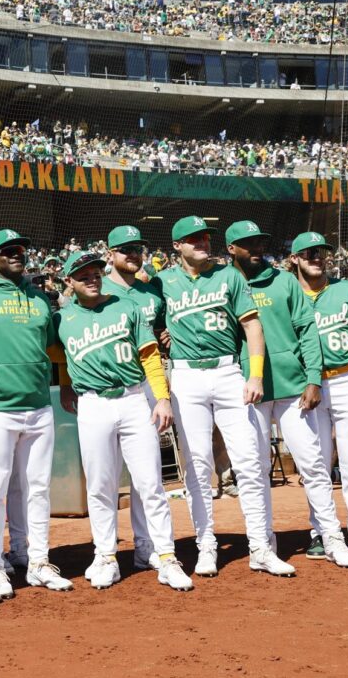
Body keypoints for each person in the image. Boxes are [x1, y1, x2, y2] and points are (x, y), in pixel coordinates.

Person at [153, 215, 294, 579]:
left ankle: (261, 547)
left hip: (230, 372)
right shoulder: (162, 282)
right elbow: (140, 317)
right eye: (193, 239)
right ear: (177, 246)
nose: (202, 242)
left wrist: (256, 374)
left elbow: (252, 325)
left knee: (250, 462)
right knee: (198, 465)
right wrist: (160, 332)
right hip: (185, 376)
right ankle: (206, 545)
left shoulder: (229, 275)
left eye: (205, 237)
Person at [56, 251, 193, 592]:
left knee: (150, 484)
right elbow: (57, 355)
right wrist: (64, 386)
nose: (92, 278)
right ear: (69, 282)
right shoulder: (61, 319)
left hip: (133, 399)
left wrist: (160, 397)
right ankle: (105, 556)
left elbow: (149, 355)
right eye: (82, 274)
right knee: (100, 486)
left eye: (95, 272)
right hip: (92, 404)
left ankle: (165, 555)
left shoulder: (126, 306)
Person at [226, 221, 348, 569]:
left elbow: (306, 329)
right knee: (253, 471)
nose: (256, 248)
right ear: (231, 249)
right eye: (248, 243)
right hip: (247, 390)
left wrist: (313, 378)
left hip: (291, 389)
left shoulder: (284, 281)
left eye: (260, 242)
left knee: (314, 464)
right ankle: (262, 545)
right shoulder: (224, 283)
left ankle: (331, 537)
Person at [0, 229, 71, 594]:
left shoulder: (41, 299)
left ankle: (37, 560)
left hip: (39, 405)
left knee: (38, 489)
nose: (17, 255)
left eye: (22, 250)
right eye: (8, 251)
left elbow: (55, 349)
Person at [290, 232, 348, 562]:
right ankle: (320, 531)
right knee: (314, 464)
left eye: (322, 252)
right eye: (309, 253)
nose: (317, 258)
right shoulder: (288, 295)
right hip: (307, 385)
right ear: (295, 259)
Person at [101, 225, 166, 572]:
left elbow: (164, 332)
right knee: (105, 475)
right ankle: (106, 551)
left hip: (147, 385)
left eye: (137, 248)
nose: (132, 254)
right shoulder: (96, 289)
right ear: (110, 253)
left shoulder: (152, 293)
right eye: (124, 249)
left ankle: (147, 545)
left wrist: (167, 336)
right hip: (107, 390)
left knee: (147, 472)